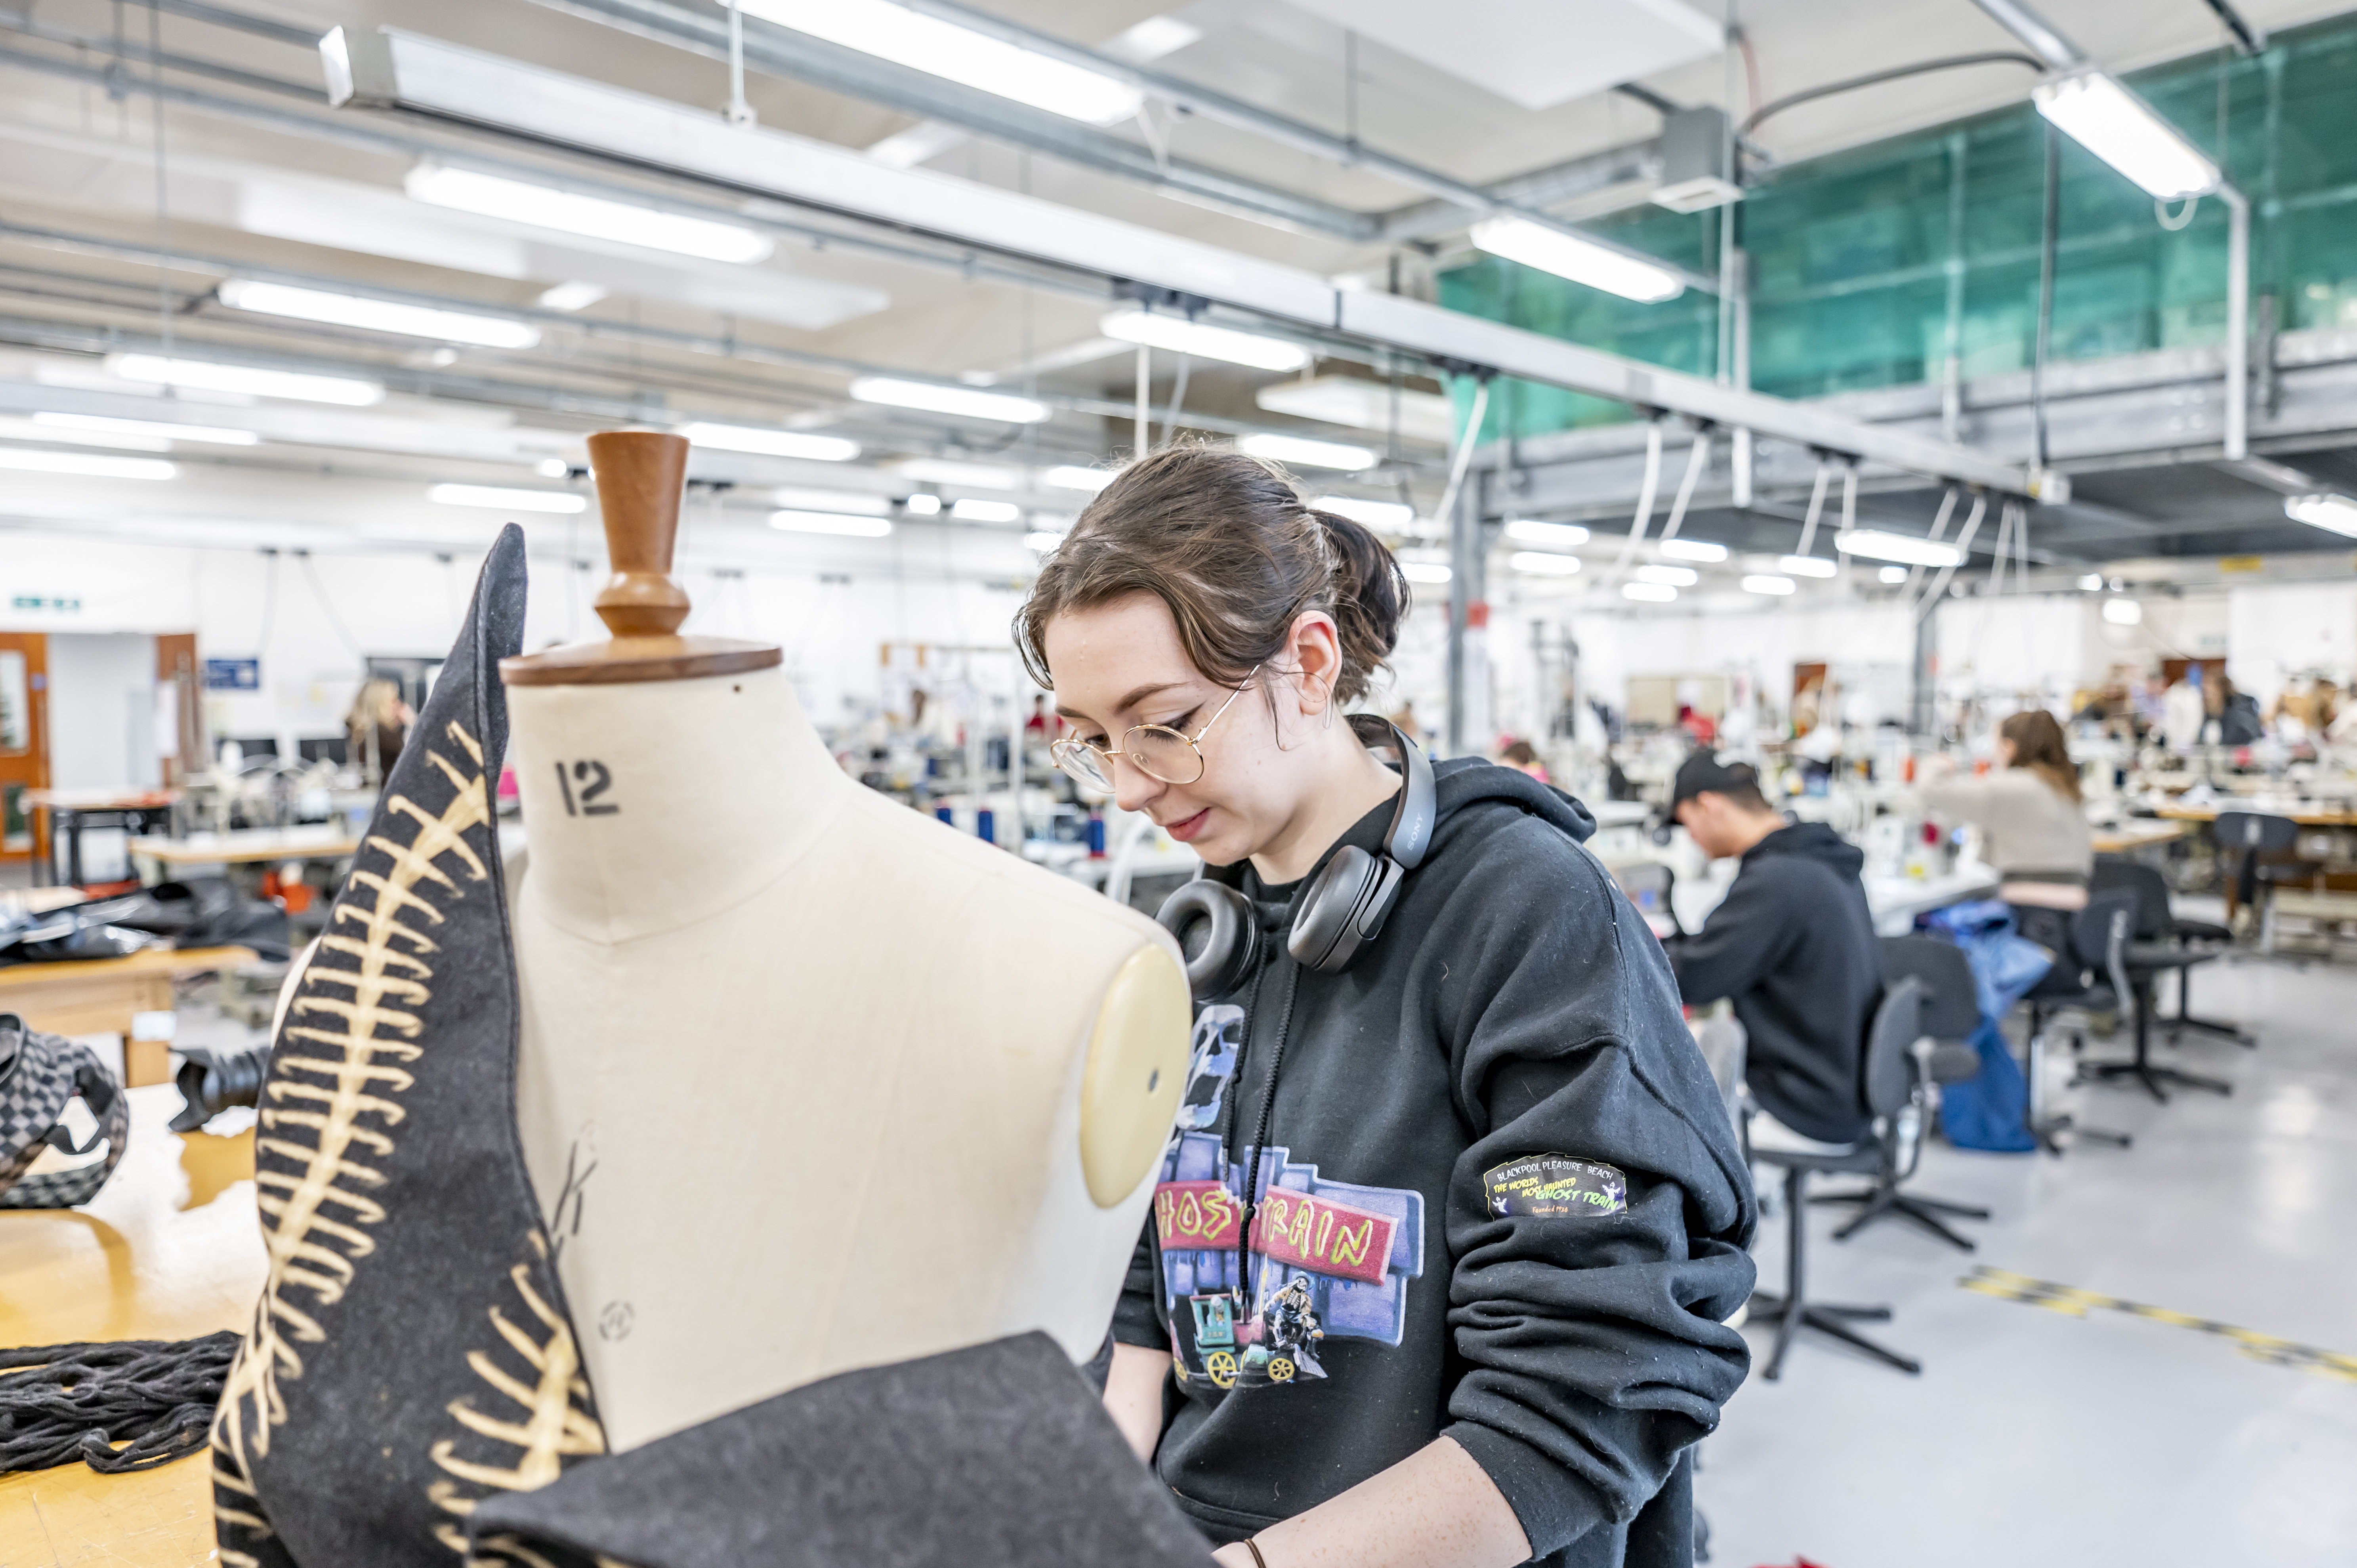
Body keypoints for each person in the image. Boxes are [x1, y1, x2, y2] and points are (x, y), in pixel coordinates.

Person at [1019, 445, 1755, 1568]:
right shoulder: (1198, 933)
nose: (1127, 782)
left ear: (1306, 662)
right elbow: (1149, 1274)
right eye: (1090, 738)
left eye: (1163, 721)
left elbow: (1587, 1395)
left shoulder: (1524, 913)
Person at [1658, 752, 1881, 1150]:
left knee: (1665, 1096)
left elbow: (1696, 978)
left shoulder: (1777, 880)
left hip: (1805, 1102)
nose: (1690, 837)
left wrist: (1630, 946)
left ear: (1710, 806)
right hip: (1846, 1085)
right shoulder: (1821, 859)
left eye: (1686, 822)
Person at [1921, 709, 2092, 956]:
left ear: (2009, 747)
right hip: (2070, 921)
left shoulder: (2013, 787)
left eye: (1995, 745)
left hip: (2034, 921)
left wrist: (1938, 764)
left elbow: (1931, 792)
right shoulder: (2066, 786)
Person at [344, 677, 412, 783]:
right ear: (381, 704)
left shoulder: (363, 732)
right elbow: (412, 759)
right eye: (394, 701)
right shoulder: (383, 734)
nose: (399, 705)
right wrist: (412, 721)